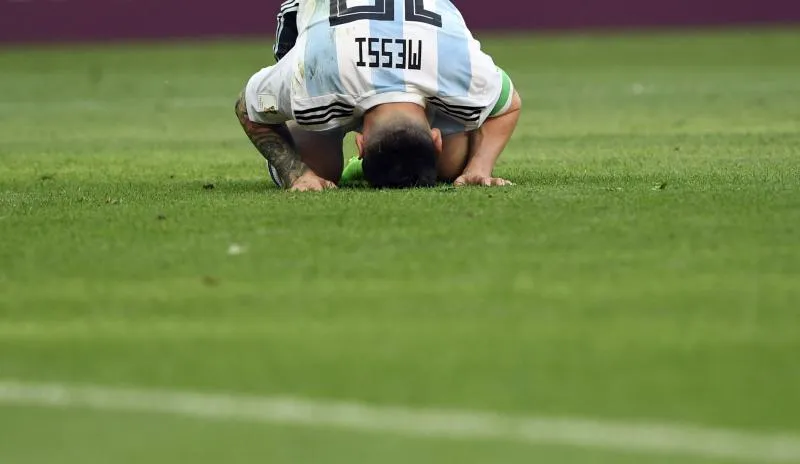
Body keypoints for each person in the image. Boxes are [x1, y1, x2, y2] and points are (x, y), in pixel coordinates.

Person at [234, 0, 522, 191]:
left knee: (450, 164)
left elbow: (246, 108)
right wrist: (296, 174)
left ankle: (367, 159)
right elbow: (247, 106)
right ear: (434, 137)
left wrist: (476, 168)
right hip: (319, 30)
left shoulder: (458, 67)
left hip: (343, 60)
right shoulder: (310, 76)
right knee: (319, 168)